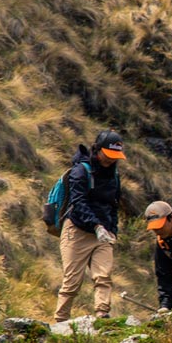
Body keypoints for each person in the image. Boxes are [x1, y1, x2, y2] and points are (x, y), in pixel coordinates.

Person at [53, 130, 125, 322]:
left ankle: (102, 314)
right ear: (98, 150)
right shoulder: (80, 171)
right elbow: (79, 202)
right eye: (108, 156)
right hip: (77, 231)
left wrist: (112, 230)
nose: (111, 161)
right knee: (72, 282)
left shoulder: (114, 175)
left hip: (104, 233)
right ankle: (61, 320)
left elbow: (114, 204)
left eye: (115, 157)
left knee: (103, 276)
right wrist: (96, 226)